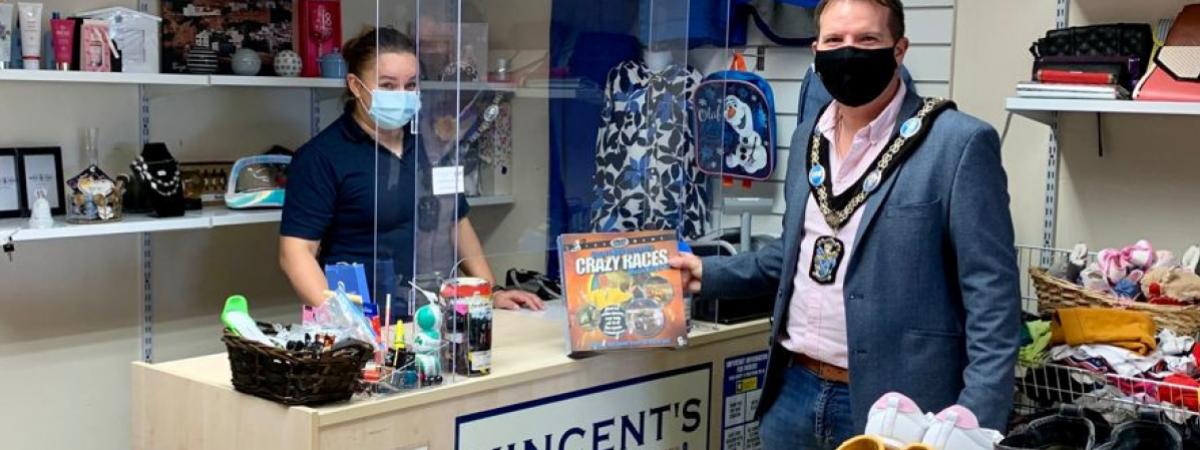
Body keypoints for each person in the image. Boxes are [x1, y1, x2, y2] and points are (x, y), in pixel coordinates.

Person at [670, 0, 1020, 448]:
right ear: (816, 50)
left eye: (867, 39)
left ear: (899, 49)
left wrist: (976, 423)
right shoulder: (806, 138)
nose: (848, 52)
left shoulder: (957, 143)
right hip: (792, 394)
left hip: (901, 411)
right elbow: (791, 256)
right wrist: (706, 273)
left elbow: (993, 296)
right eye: (835, 40)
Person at [280, 27, 544, 315]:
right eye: (388, 85)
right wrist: (345, 319)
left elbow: (455, 220)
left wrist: (489, 292)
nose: (402, 95)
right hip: (360, 318)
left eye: (411, 85)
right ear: (356, 87)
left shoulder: (430, 146)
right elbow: (296, 253)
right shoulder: (321, 156)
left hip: (429, 312)